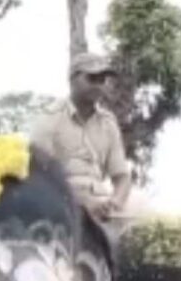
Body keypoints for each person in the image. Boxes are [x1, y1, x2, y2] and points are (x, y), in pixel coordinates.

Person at [30, 51, 132, 221]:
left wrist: (115, 203)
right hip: (61, 204)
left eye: (102, 79)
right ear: (72, 79)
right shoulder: (49, 119)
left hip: (102, 203)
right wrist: (82, 202)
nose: (98, 85)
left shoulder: (108, 122)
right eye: (92, 78)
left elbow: (121, 176)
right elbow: (37, 176)